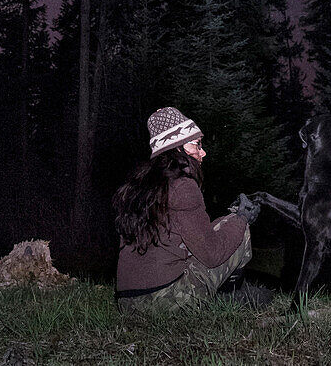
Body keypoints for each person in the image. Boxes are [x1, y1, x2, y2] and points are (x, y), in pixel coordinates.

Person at [112, 106, 262, 312]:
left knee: (221, 225)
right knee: (237, 229)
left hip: (126, 302)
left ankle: (229, 294)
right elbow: (212, 255)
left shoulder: (139, 186)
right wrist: (242, 218)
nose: (203, 152)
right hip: (163, 302)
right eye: (197, 144)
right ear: (178, 148)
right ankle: (231, 297)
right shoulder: (183, 186)